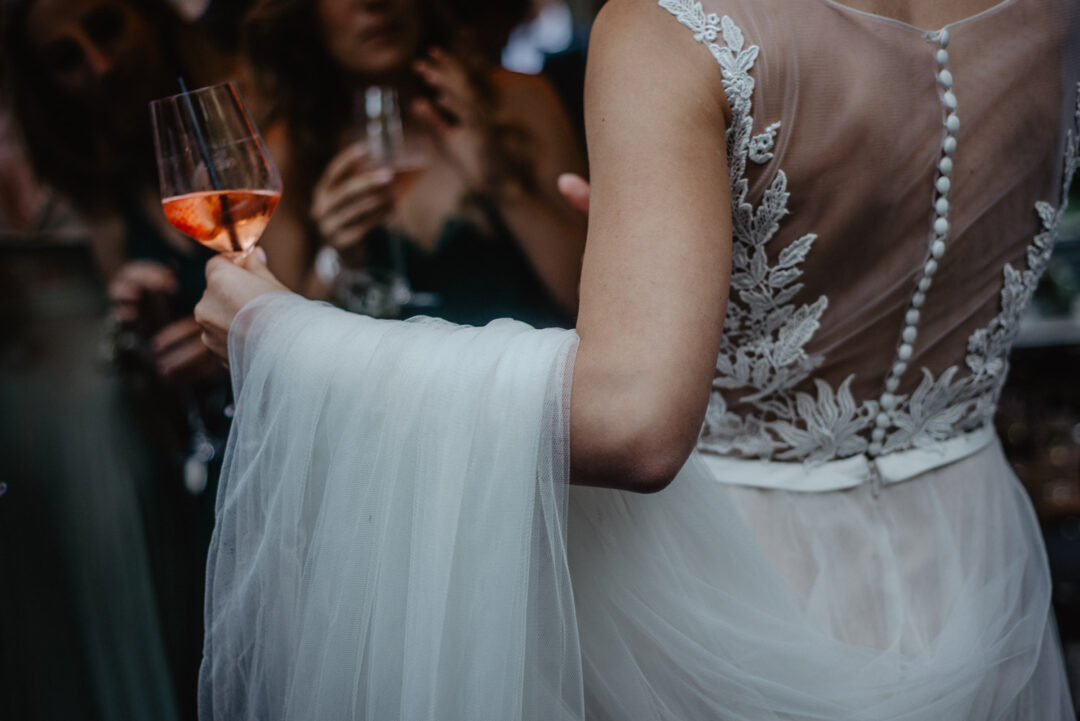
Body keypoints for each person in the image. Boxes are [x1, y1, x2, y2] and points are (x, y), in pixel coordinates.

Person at [195, 0, 1079, 718]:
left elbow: (634, 425)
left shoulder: (669, 26)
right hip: (974, 546)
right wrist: (665, 246)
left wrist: (284, 339)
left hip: (740, 593)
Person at [1, 0, 244, 717]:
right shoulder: (109, 183)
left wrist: (251, 337)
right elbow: (164, 396)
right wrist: (150, 330)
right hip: (206, 475)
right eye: (67, 58)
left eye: (105, 27)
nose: (98, 67)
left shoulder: (247, 119)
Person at [244, 0, 587, 328]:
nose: (375, 2)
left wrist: (503, 186)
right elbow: (291, 350)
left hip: (525, 376)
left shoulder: (518, 100)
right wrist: (337, 258)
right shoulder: (288, 152)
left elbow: (588, 299)